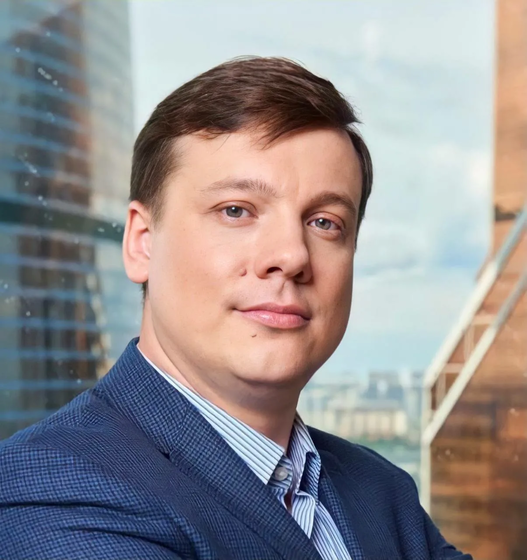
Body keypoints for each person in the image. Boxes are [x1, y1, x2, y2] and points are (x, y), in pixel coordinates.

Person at [0, 56, 472, 560]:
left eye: (324, 222)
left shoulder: (382, 492)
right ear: (142, 242)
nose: (291, 256)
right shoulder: (52, 486)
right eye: (236, 211)